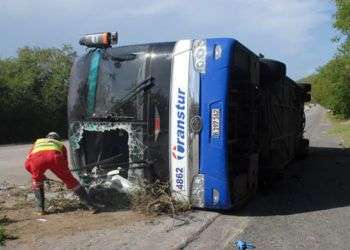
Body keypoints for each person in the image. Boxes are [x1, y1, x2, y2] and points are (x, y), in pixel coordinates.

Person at [24, 132, 95, 215]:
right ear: (57, 139)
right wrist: (66, 175)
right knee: (71, 181)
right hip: (55, 157)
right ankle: (91, 207)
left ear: (47, 137)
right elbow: (64, 161)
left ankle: (40, 210)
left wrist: (37, 175)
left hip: (37, 159)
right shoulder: (60, 144)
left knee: (37, 181)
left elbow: (28, 162)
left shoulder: (38, 142)